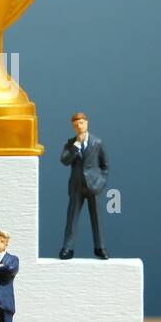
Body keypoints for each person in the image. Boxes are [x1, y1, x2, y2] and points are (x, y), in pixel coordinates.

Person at [59, 111, 109, 259]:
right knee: (72, 217)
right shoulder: (71, 144)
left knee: (97, 218)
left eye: (81, 123)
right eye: (76, 125)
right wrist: (76, 146)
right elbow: (64, 160)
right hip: (76, 186)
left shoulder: (97, 142)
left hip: (94, 186)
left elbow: (105, 165)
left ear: (86, 123)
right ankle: (68, 248)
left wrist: (101, 182)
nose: (79, 126)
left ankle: (100, 247)